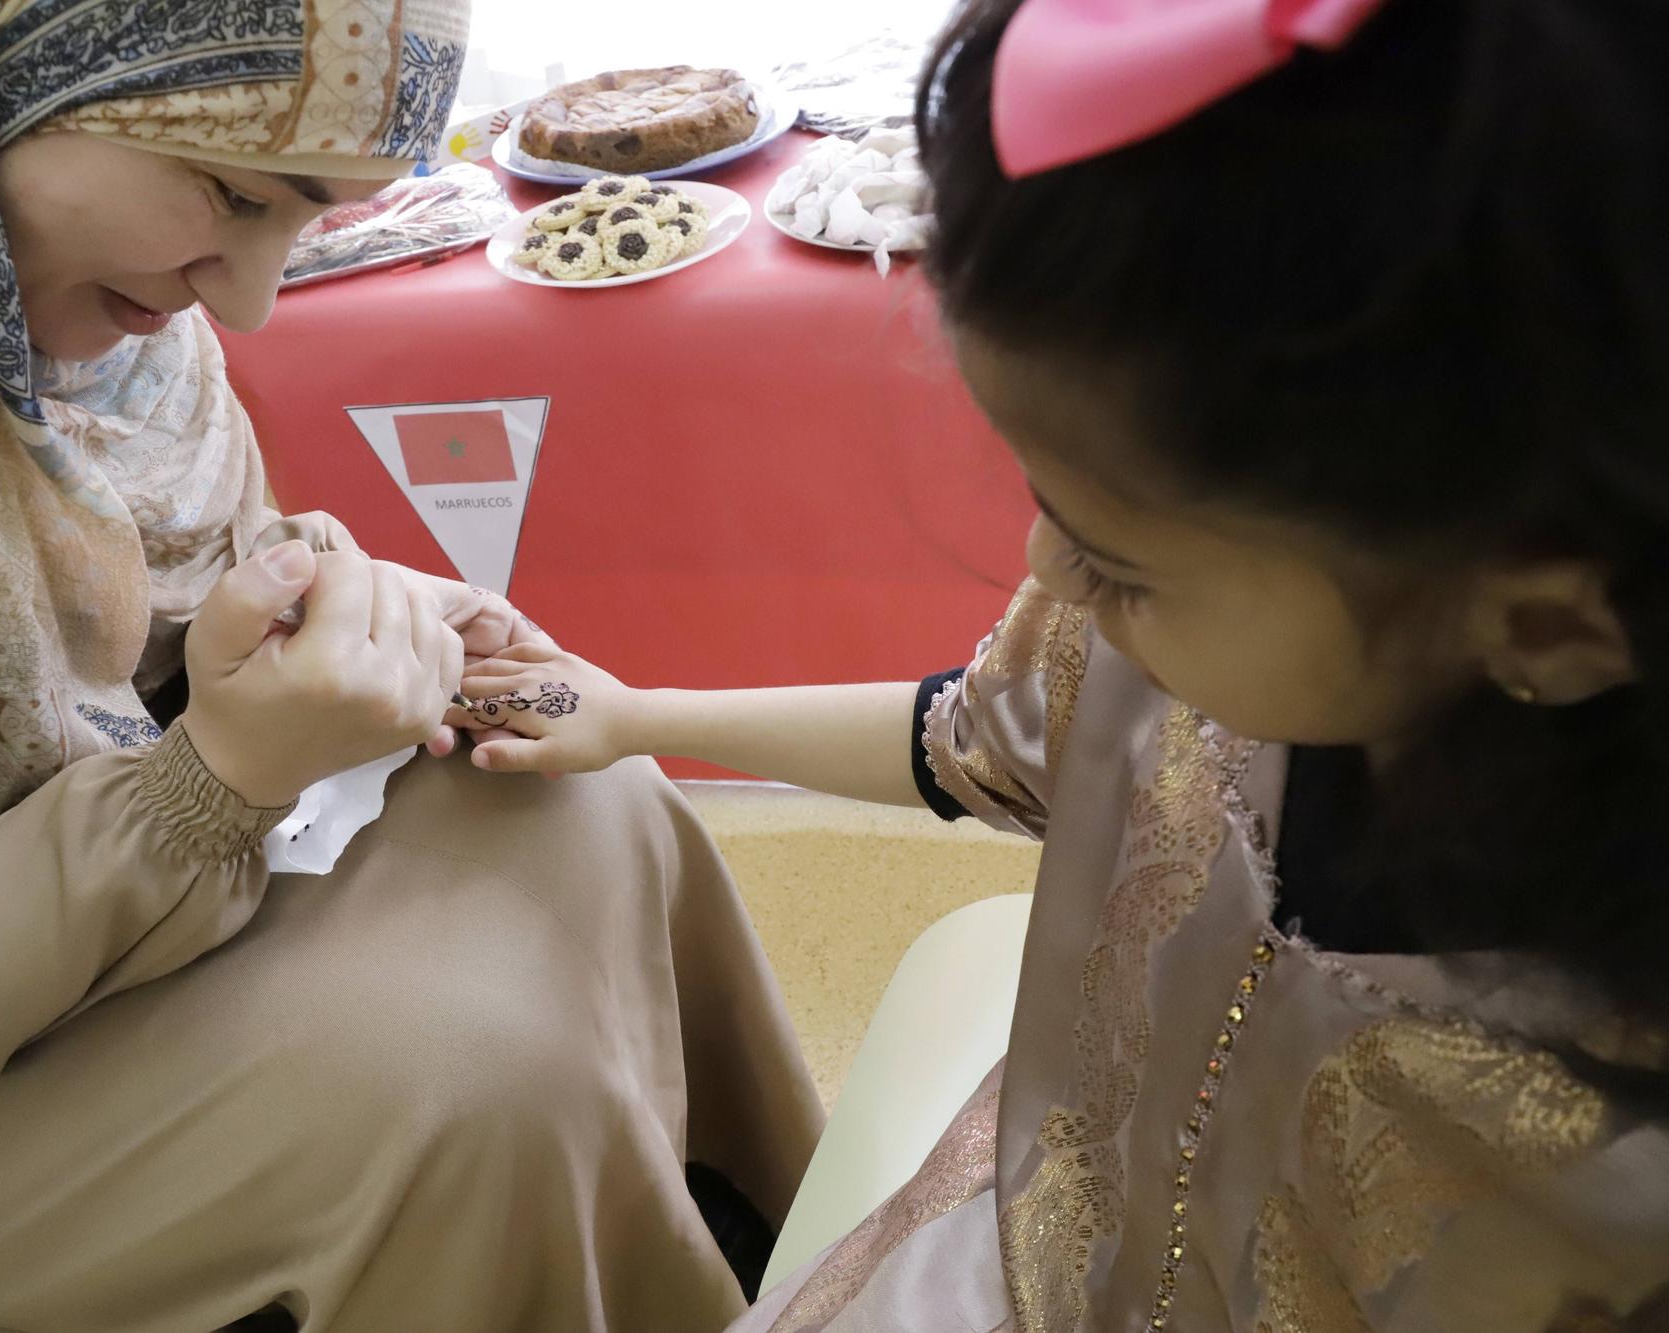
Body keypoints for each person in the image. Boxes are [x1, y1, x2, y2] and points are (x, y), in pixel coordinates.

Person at [453, 0, 1669, 1326]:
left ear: (1547, 621)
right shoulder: (1178, 647)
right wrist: (634, 715)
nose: (1044, 569)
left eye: (1119, 558)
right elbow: (978, 738)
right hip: (1015, 1254)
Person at [0, 3, 823, 1329]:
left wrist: (369, 632)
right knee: (473, 1086)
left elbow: (176, 586)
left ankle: (759, 1271)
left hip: (10, 868)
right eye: (238, 193)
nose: (254, 300)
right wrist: (214, 781)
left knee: (578, 789)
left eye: (310, 217)